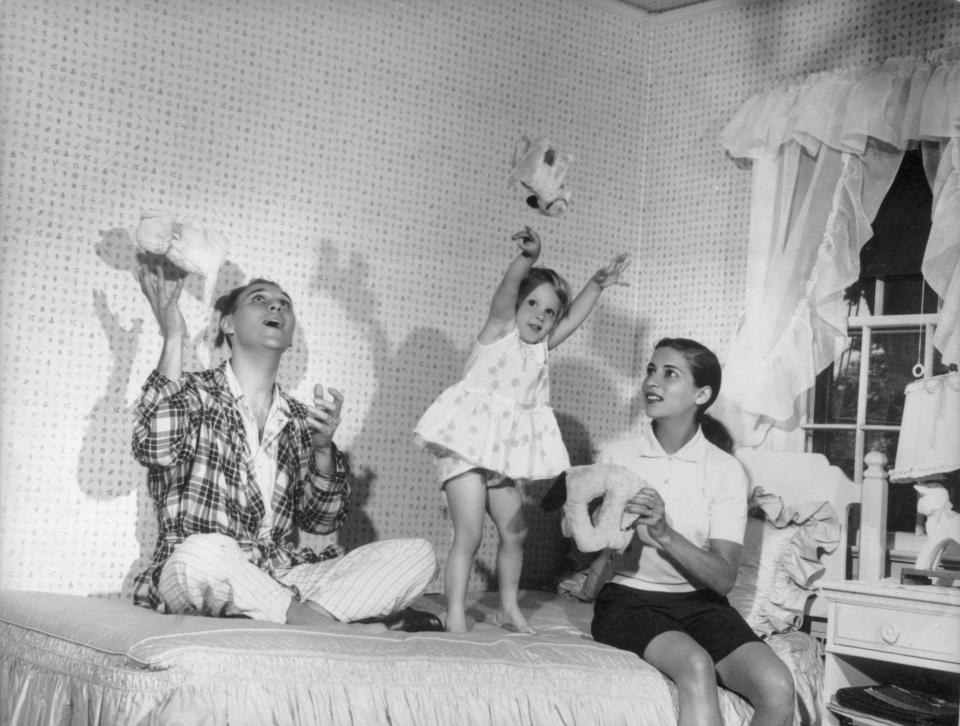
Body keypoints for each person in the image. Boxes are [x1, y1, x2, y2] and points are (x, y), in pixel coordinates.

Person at [131, 259, 441, 632]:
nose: (276, 306)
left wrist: (324, 451)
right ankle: (328, 623)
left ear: (290, 334)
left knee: (417, 555)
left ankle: (308, 618)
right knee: (197, 554)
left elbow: (321, 520)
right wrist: (174, 337)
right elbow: (155, 447)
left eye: (284, 303)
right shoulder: (193, 392)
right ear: (228, 325)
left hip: (281, 575)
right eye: (259, 299)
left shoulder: (299, 419)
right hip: (203, 571)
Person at [414, 227, 629, 633]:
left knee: (517, 533)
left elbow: (575, 318)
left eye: (549, 312)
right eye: (532, 304)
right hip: (463, 449)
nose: (540, 316)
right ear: (517, 305)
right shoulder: (499, 331)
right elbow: (508, 287)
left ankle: (509, 608)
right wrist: (527, 258)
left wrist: (596, 286)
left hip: (499, 457)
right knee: (470, 534)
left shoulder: (540, 351)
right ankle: (456, 614)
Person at [590, 338, 795, 726]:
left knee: (778, 686)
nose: (653, 381)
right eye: (651, 370)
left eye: (670, 374)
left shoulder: (725, 470)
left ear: (702, 394)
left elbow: (722, 578)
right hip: (629, 602)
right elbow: (592, 545)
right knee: (695, 664)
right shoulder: (615, 455)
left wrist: (665, 533)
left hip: (702, 605)